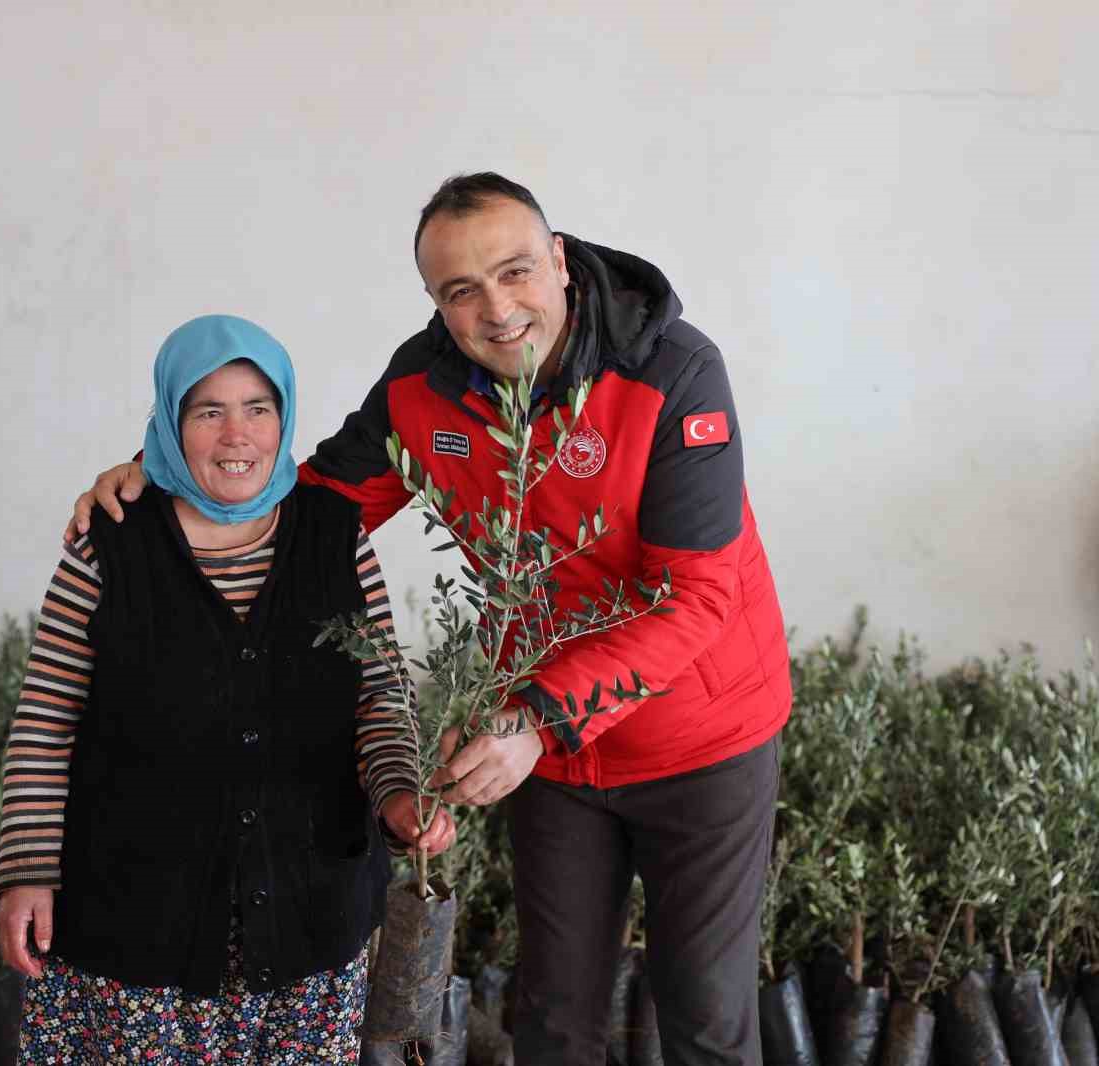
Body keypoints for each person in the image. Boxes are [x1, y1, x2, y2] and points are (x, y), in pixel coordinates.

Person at [72, 175, 792, 1065]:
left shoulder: (672, 371)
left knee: (706, 1021)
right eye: (460, 291)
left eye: (516, 271)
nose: (496, 309)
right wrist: (166, 478)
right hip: (553, 750)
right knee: (555, 1017)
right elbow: (318, 511)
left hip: (699, 740)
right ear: (437, 304)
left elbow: (696, 600)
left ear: (560, 261)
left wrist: (536, 719)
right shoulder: (423, 387)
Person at [0, 314, 455, 1064]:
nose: (236, 435)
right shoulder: (109, 540)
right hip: (133, 920)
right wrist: (26, 871)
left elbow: (378, 696)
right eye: (208, 411)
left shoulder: (336, 537)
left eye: (258, 409)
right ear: (172, 422)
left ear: (285, 419)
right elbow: (46, 721)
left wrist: (399, 794)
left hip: (309, 921)